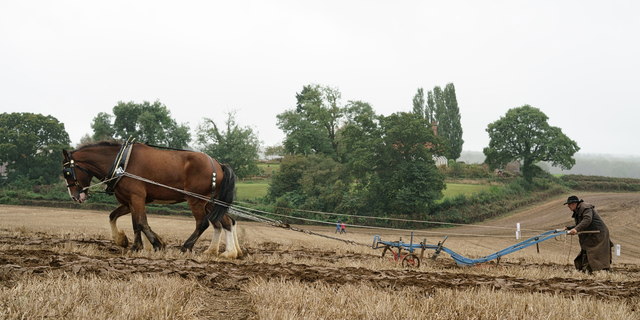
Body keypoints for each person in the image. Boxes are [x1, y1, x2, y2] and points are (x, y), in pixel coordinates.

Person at [563, 195, 613, 273]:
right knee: (588, 252)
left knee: (596, 254)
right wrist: (569, 228)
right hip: (592, 235)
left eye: (569, 204)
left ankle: (599, 270)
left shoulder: (585, 208)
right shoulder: (578, 210)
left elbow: (587, 220)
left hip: (598, 234)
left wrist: (576, 229)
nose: (568, 206)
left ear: (574, 204)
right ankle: (586, 270)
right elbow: (581, 223)